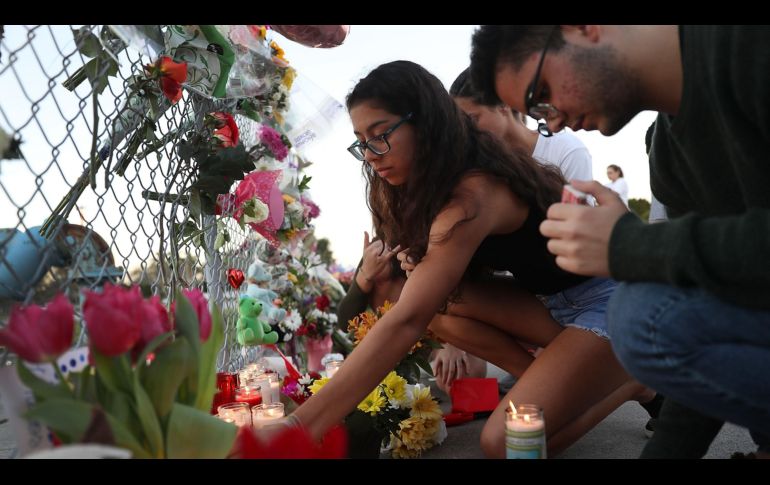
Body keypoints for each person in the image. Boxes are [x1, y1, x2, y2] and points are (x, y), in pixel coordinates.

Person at [290, 60, 654, 458]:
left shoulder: (474, 194)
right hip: (552, 302)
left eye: (381, 136)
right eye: (362, 141)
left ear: (426, 123)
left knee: (503, 444)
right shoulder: (433, 186)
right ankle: (553, 382)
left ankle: (628, 383)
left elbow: (405, 320)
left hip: (608, 303)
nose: (371, 155)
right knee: (434, 305)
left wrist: (297, 427)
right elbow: (409, 300)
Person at [469, 25, 770, 457]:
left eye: (542, 93)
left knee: (636, 313)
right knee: (656, 312)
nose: (552, 121)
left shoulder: (746, 44)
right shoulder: (667, 151)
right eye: (537, 114)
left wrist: (631, 247)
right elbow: (696, 322)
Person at [335, 231, 487, 392]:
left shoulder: (421, 245)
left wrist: (452, 344)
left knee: (463, 375)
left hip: (440, 334)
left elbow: (450, 295)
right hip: (396, 349)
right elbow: (345, 322)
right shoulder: (374, 254)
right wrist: (365, 275)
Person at [450, 67, 593, 182]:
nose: (468, 130)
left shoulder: (566, 151)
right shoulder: (481, 167)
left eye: (473, 119)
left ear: (503, 105)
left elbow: (581, 215)